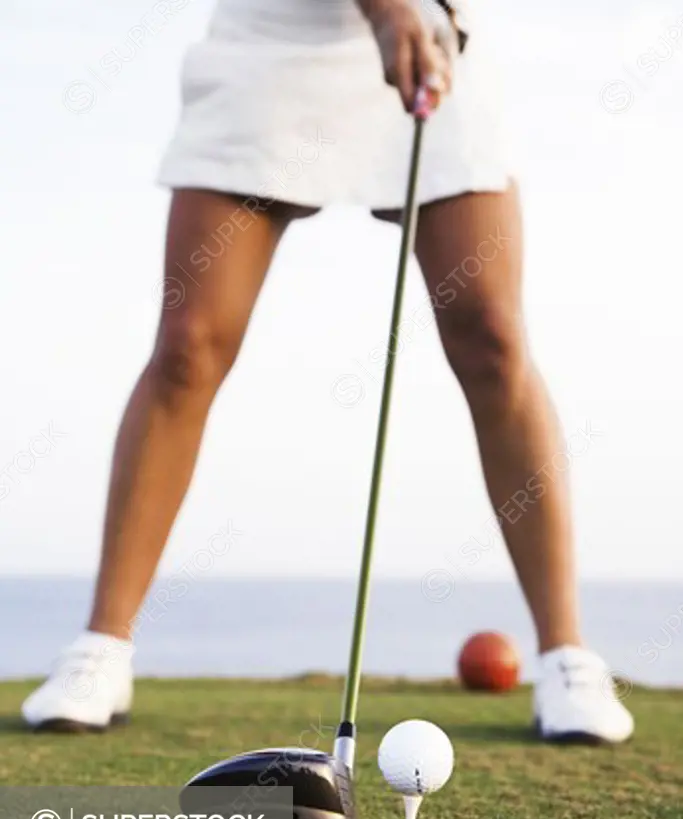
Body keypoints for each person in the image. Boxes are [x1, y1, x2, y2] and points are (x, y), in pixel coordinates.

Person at [22, 0, 633, 743]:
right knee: (189, 345)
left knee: (492, 337)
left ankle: (567, 654)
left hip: (434, 36)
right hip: (273, 41)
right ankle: (102, 647)